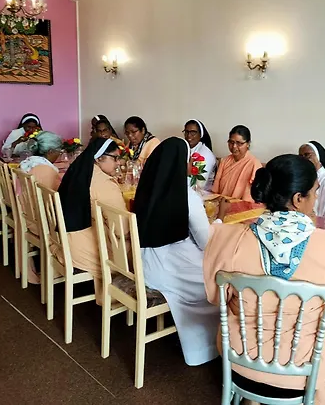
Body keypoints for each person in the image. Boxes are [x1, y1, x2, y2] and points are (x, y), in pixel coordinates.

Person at [204, 154, 325, 405]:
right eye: (314, 192)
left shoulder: (229, 237)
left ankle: (250, 399)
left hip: (241, 359)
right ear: (298, 199)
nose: (316, 199)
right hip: (304, 369)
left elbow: (214, 296)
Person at [134, 137, 219, 366]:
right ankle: (208, 346)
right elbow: (205, 242)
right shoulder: (186, 195)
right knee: (218, 283)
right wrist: (218, 222)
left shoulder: (146, 186)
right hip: (168, 272)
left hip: (144, 265)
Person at [58, 138, 126, 303]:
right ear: (99, 158)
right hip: (83, 250)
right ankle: (122, 295)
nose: (118, 163)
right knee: (137, 248)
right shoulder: (104, 184)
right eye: (115, 158)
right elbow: (121, 230)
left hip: (65, 239)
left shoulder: (79, 170)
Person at [212, 125, 261, 202]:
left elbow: (252, 196)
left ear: (248, 144)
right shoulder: (224, 161)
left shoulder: (254, 164)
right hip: (221, 203)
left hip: (242, 205)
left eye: (239, 143)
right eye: (231, 142)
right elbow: (216, 189)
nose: (234, 146)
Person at [183, 119, 216, 191]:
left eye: (193, 132)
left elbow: (199, 185)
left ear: (200, 135)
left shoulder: (206, 155)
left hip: (202, 193)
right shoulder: (184, 149)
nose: (189, 135)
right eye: (186, 132)